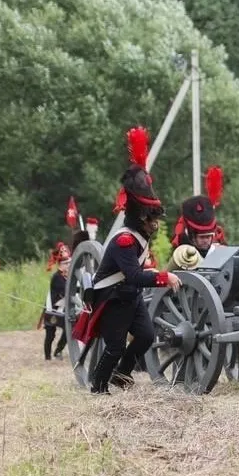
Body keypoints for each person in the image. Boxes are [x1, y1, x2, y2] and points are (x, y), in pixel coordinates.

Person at [71, 128, 182, 394]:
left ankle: (121, 374)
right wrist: (163, 277)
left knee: (145, 337)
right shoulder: (124, 240)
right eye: (152, 219)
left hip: (130, 297)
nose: (155, 224)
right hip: (111, 298)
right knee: (115, 347)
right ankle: (98, 387)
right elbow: (132, 275)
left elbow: (135, 273)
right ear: (141, 217)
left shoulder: (138, 237)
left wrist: (152, 270)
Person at [171, 165, 225, 262]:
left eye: (208, 236)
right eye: (202, 237)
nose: (206, 240)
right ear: (192, 236)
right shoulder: (181, 249)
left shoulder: (219, 245)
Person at [42, 241, 71, 361]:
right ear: (60, 265)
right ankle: (47, 356)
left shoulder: (69, 277)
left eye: (70, 263)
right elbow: (66, 292)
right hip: (53, 308)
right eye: (67, 263)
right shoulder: (57, 277)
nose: (69, 265)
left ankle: (58, 351)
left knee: (68, 332)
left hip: (64, 309)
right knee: (50, 334)